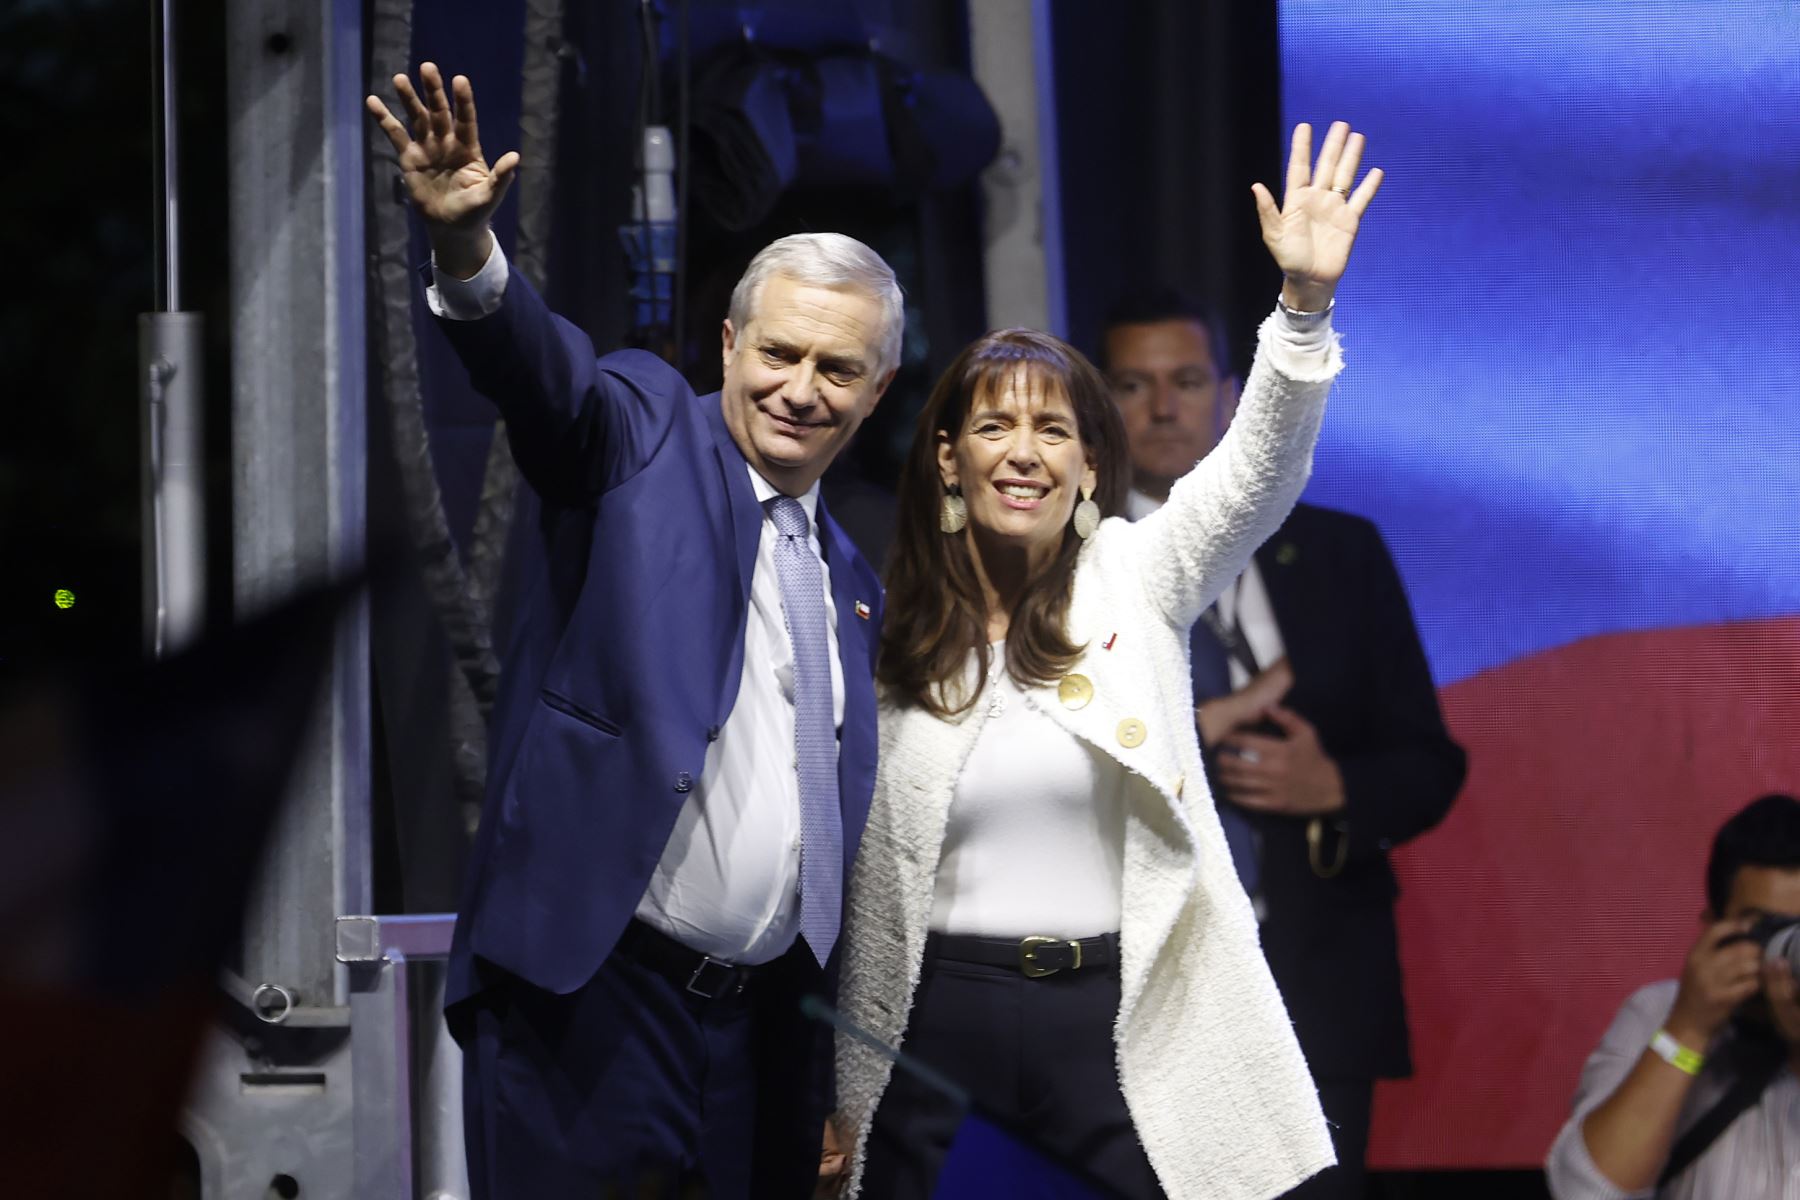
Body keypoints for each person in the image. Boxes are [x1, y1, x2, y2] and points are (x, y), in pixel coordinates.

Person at [367, 65, 898, 1198]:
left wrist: (832, 1077)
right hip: (593, 1009)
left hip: (761, 1041)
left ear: (877, 389)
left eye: (836, 368)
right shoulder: (646, 429)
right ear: (727, 347)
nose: (800, 388)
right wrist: (469, 252)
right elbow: (542, 378)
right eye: (779, 353)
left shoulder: (855, 583)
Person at [834, 122, 1384, 1200]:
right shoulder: (880, 612)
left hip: (1114, 1009)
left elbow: (1257, 471)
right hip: (930, 1014)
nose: (1026, 452)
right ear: (950, 456)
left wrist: (1304, 312)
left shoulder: (1140, 572)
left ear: (1091, 464)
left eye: (1055, 430)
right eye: (995, 427)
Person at [1100, 290, 1468, 1199]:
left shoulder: (1342, 554)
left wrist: (1331, 786)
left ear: (1232, 392)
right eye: (1133, 384)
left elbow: (1429, 763)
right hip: (1134, 984)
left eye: (1186, 380)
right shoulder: (1076, 561)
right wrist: (1196, 727)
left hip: (1316, 985)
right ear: (1100, 402)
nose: (1162, 406)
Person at [1547, 793, 1800, 1200]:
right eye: (1765, 928)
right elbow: (1587, 1192)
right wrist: (1689, 1032)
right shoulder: (1662, 1013)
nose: (1784, 954)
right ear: (1711, 925)